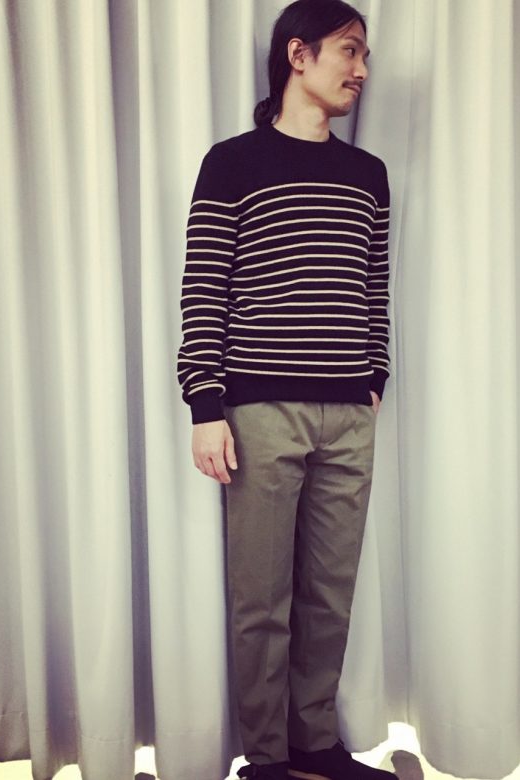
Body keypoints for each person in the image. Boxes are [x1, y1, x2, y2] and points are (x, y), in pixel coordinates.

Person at [176, 1, 395, 778]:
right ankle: (266, 760)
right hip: (260, 410)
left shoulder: (367, 175)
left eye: (365, 55)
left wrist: (375, 373)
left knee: (329, 595)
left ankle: (314, 744)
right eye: (349, 50)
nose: (361, 69)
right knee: (261, 600)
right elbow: (204, 286)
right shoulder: (232, 162)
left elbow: (374, 285)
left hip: (349, 412)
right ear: (298, 55)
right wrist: (205, 404)